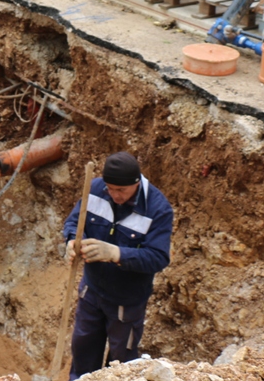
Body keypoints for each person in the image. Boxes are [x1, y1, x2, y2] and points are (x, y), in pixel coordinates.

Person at [62, 152, 174, 378]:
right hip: (91, 293)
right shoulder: (94, 189)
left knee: (122, 365)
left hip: (127, 302)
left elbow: (158, 257)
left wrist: (117, 253)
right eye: (110, 188)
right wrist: (72, 239)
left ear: (136, 183)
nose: (114, 195)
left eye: (121, 190)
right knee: (83, 352)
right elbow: (75, 221)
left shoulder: (157, 209)